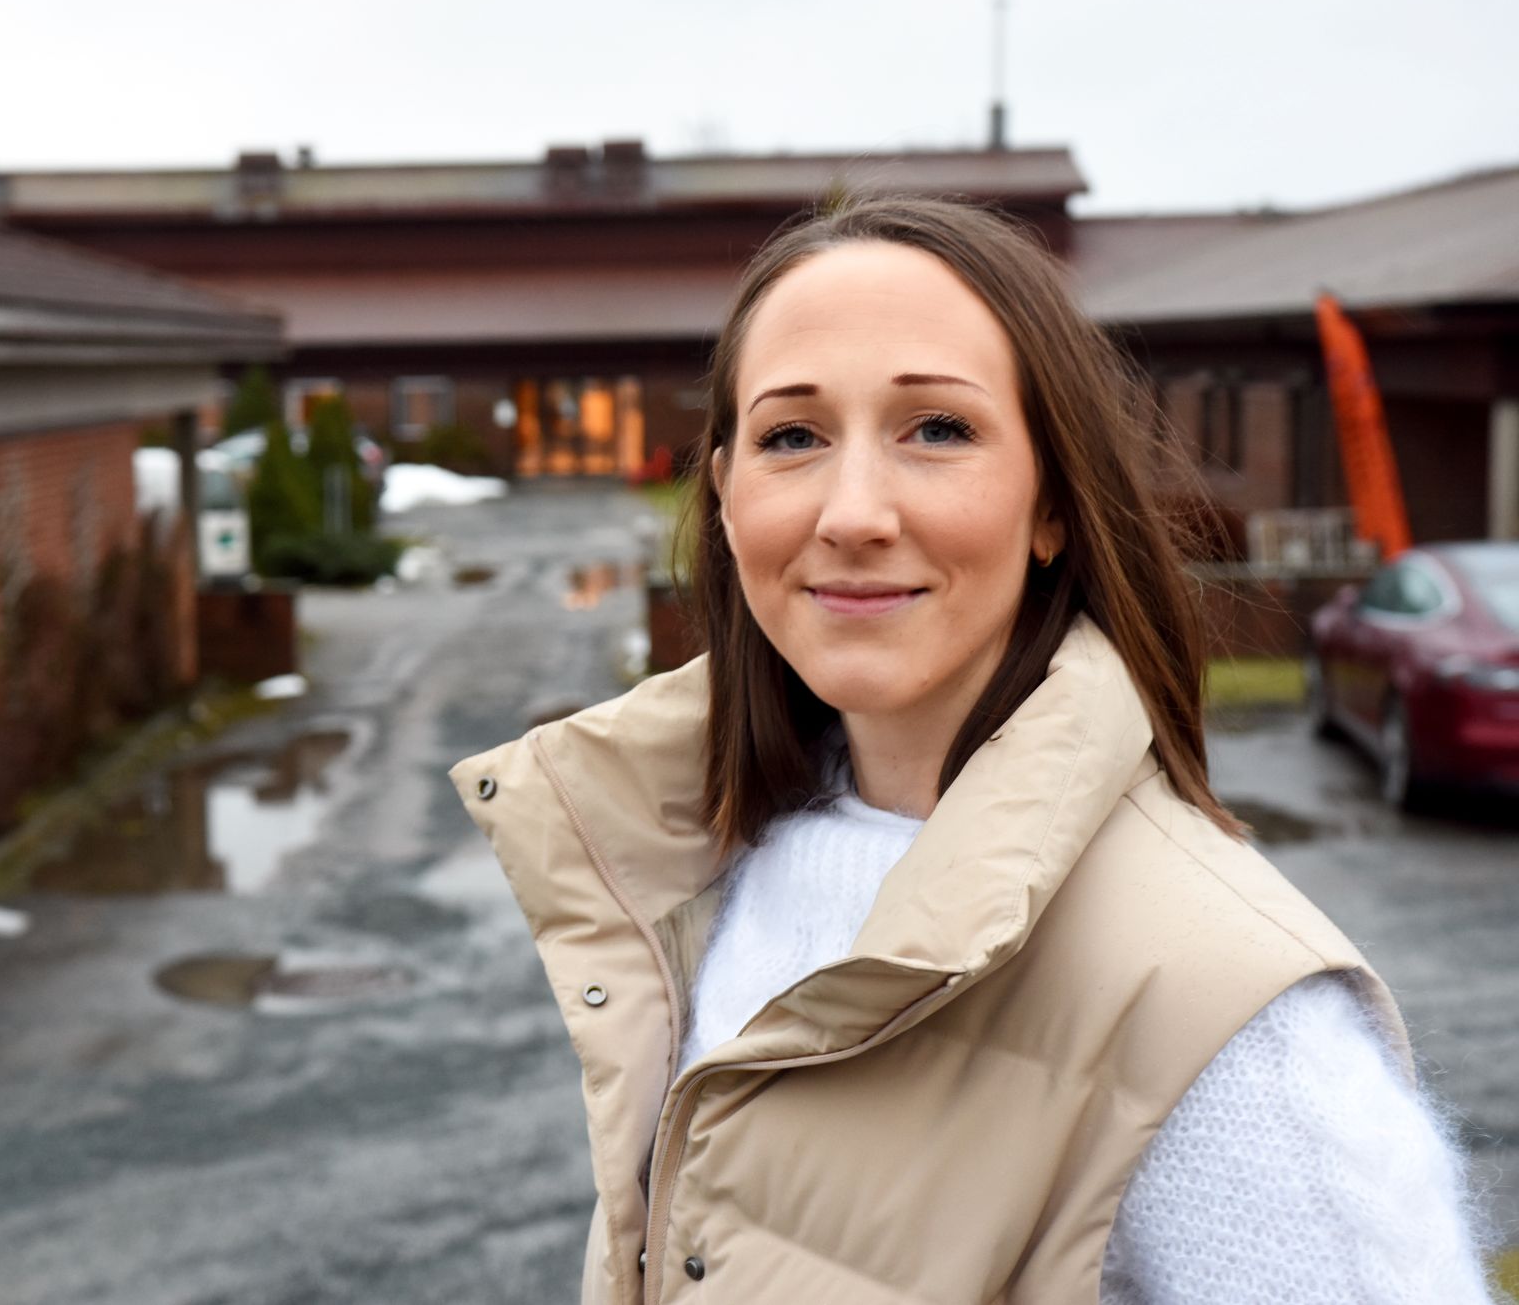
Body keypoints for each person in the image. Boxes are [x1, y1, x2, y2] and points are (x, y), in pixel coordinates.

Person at [450, 197, 1507, 1304]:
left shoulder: (1227, 1023)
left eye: (938, 430)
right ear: (722, 495)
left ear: (1051, 503)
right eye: (791, 437)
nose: (852, 513)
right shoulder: (698, 861)